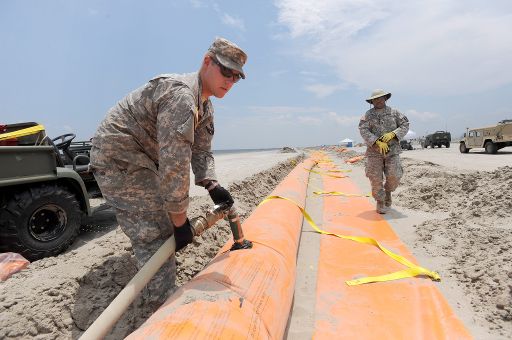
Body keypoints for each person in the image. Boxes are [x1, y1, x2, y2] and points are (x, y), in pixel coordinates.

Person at [89, 37, 247, 308]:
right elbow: (175, 166)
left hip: (145, 158)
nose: (230, 81)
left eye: (236, 77)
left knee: (166, 216)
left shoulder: (205, 107)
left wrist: (211, 184)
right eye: (226, 72)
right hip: (118, 157)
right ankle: (161, 303)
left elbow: (200, 152)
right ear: (207, 62)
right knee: (157, 227)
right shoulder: (181, 97)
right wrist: (178, 223)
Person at [358, 89, 409, 214]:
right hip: (374, 152)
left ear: (385, 98)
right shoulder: (367, 115)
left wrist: (393, 134)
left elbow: (405, 124)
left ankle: (388, 192)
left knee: (394, 176)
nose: (378, 100)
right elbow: (363, 129)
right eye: (376, 99)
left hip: (392, 151)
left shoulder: (394, 113)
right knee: (375, 178)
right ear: (372, 101)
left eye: (381, 98)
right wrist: (376, 141)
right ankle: (380, 201)